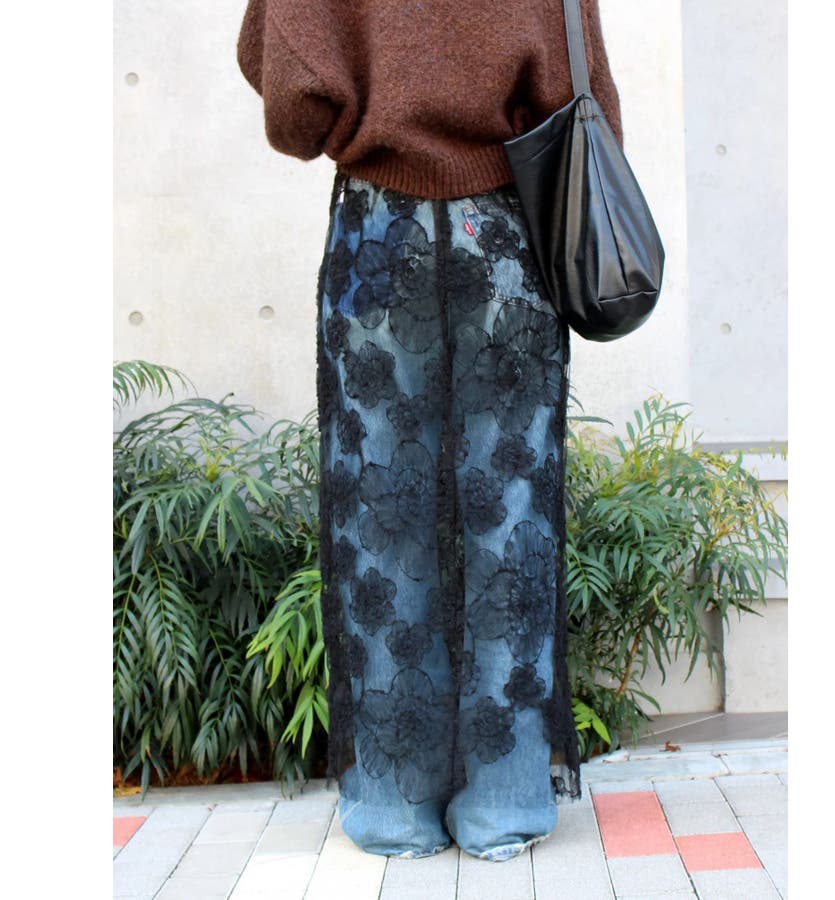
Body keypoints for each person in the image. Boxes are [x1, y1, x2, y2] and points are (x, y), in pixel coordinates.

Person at [236, 0, 623, 863]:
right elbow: (590, 94)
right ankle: (504, 804)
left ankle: (394, 806)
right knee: (512, 515)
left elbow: (291, 107)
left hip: (378, 241)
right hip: (510, 241)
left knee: (382, 518)